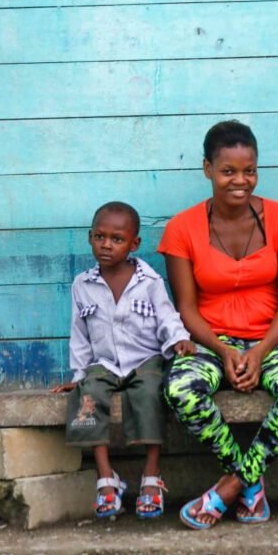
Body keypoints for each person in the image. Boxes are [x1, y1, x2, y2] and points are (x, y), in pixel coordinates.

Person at [159, 120, 278, 530]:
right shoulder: (182, 228)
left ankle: (231, 485)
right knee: (180, 390)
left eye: (249, 171)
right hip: (210, 341)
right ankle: (248, 477)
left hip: (273, 339)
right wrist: (226, 351)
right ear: (207, 168)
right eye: (228, 171)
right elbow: (186, 309)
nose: (240, 181)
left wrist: (259, 352)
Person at [52, 201, 195, 519]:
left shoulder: (149, 280)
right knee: (87, 393)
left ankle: (151, 475)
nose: (106, 245)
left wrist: (179, 339)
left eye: (117, 239)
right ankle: (105, 478)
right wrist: (78, 376)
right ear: (90, 237)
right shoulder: (82, 284)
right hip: (103, 364)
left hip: (145, 359)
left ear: (134, 244)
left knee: (149, 393)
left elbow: (167, 317)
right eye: (99, 236)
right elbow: (79, 333)